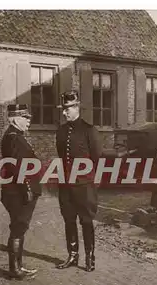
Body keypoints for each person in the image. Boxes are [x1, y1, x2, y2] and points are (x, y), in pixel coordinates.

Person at [55, 91, 102, 272]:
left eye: (67, 109)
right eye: (64, 109)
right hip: (66, 184)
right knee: (69, 220)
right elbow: (62, 154)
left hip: (84, 185)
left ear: (76, 108)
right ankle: (73, 255)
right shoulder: (61, 131)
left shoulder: (89, 130)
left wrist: (89, 179)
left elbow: (97, 157)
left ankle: (90, 256)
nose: (65, 113)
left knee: (86, 221)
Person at [0, 104, 42, 280]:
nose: (29, 121)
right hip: (19, 193)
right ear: (15, 119)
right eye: (26, 118)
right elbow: (17, 168)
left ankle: (18, 266)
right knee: (18, 228)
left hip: (17, 191)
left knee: (19, 227)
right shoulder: (13, 138)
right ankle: (15, 269)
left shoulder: (15, 136)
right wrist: (28, 189)